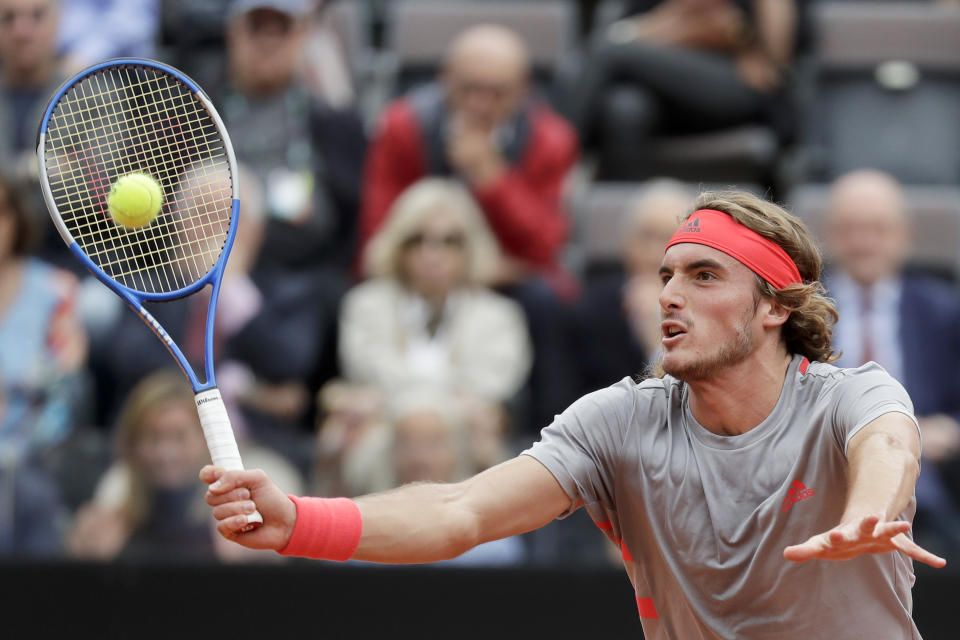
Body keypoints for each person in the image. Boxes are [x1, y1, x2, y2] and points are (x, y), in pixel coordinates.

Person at [201, 189, 946, 637]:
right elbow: (461, 511)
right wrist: (298, 523)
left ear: (776, 307)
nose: (669, 296)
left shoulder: (853, 394)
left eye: (704, 276)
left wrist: (869, 514)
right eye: (665, 276)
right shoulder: (619, 422)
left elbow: (887, 444)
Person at [359, 23, 581, 434]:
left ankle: (546, 437)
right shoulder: (402, 127)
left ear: (523, 90)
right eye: (468, 89)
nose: (480, 104)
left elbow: (546, 244)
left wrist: (491, 178)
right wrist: (428, 258)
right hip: (414, 266)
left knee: (549, 303)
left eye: (496, 92)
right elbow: (379, 232)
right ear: (444, 80)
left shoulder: (551, 139)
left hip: (504, 276)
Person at [823, 168, 960, 553]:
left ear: (905, 236)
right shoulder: (799, 309)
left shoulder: (943, 311)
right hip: (824, 461)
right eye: (850, 229)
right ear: (831, 235)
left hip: (921, 471)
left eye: (878, 229)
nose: (864, 243)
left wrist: (947, 430)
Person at [340, 178, 532, 410]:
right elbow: (366, 371)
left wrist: (406, 393)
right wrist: (450, 392)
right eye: (418, 240)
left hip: (463, 436)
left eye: (449, 241)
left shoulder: (499, 316)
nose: (432, 255)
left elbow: (492, 385)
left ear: (469, 248)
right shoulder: (366, 305)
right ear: (398, 246)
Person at [568, 0, 800, 181]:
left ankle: (556, 154)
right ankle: (626, 217)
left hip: (737, 88)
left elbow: (776, 61)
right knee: (624, 108)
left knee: (608, 54)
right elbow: (623, 32)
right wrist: (669, 27)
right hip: (662, 97)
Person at [217, 0, 366, 272]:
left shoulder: (335, 123)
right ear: (232, 35)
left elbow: (353, 224)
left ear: (302, 37)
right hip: (205, 278)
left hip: (305, 282)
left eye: (282, 29)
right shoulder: (192, 116)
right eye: (256, 27)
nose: (268, 41)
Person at [572, 178, 696, 395]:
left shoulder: (708, 313)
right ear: (627, 242)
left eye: (668, 238)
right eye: (646, 236)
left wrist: (657, 338)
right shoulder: (588, 308)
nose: (654, 252)